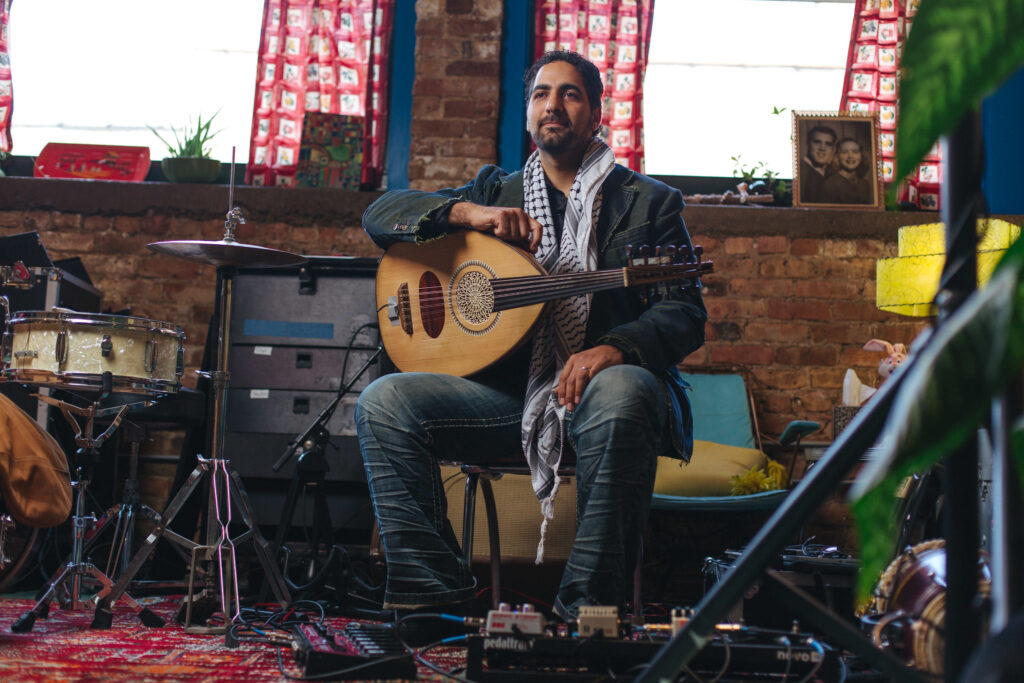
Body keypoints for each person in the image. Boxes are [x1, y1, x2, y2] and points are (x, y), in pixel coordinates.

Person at [354, 50, 707, 624]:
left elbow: (685, 313)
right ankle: (432, 597)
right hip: (508, 399)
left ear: (595, 113)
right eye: (542, 94)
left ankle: (584, 618)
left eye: (570, 94)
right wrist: (470, 215)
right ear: (528, 113)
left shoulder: (649, 204)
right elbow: (381, 214)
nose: (554, 105)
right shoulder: (497, 190)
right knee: (383, 403)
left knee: (622, 390)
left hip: (605, 403)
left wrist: (614, 349)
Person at [821, 137, 873, 205]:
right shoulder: (830, 185)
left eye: (855, 152)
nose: (850, 156)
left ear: (861, 156)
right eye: (844, 152)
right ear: (837, 156)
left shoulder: (864, 184)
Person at [799, 124, 837, 203]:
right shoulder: (800, 172)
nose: (822, 148)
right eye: (817, 142)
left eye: (828, 144)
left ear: (833, 149)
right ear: (808, 144)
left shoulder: (832, 173)